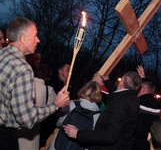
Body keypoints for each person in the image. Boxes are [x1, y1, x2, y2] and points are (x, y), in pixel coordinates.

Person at [0, 17, 69, 150]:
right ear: (24, 38)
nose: (38, 40)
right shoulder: (22, 68)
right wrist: (56, 105)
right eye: (35, 35)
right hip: (4, 137)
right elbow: (26, 118)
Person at [63, 71, 142, 150]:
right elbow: (114, 96)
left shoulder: (120, 103)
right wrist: (106, 82)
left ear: (121, 83)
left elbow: (109, 135)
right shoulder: (132, 100)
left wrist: (78, 134)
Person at [49, 81, 102, 150]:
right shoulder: (98, 116)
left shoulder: (71, 105)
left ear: (83, 90)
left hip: (58, 145)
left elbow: (58, 122)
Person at [17, 62, 56, 150]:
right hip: (32, 134)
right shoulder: (49, 91)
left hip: (14, 132)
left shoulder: (21, 83)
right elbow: (54, 109)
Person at [132, 65, 161, 150]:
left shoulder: (138, 104)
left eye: (138, 87)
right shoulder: (158, 109)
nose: (136, 89)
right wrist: (143, 79)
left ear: (144, 89)